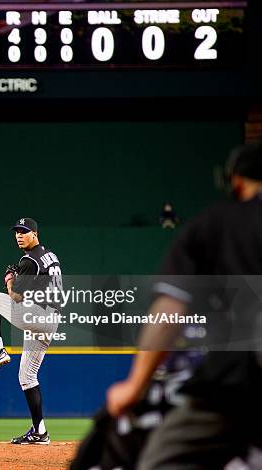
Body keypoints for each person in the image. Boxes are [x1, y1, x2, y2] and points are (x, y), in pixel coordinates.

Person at [105, 140, 262, 469]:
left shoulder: (217, 223)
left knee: (159, 461)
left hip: (236, 382)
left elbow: (169, 311)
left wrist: (135, 386)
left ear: (234, 179)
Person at [0, 217, 62, 445]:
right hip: (51, 321)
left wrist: (9, 279)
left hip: (37, 315)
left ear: (35, 234)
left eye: (24, 232)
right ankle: (40, 432)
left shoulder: (30, 260)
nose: (19, 235)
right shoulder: (50, 255)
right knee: (27, 376)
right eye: (17, 232)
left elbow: (15, 296)